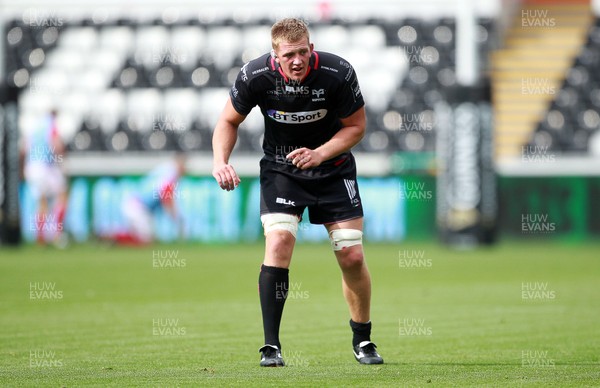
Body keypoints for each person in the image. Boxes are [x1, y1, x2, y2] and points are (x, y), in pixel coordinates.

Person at [212, 18, 383, 366]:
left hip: (332, 168)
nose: (297, 61)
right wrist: (220, 161)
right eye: (289, 54)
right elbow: (228, 121)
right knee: (278, 242)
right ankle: (271, 346)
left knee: (351, 254)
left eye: (303, 52)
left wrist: (320, 153)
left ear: (311, 48)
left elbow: (357, 126)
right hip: (281, 169)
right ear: (276, 55)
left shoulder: (338, 73)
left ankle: (362, 339)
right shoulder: (255, 76)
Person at [108, 154, 186, 245]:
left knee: (143, 238)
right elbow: (167, 197)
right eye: (184, 165)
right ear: (179, 164)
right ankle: (111, 238)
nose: (185, 170)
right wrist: (177, 218)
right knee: (146, 241)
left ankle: (111, 238)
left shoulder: (165, 169)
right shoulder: (171, 173)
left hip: (135, 205)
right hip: (137, 208)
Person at [22, 110, 68, 246]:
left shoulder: (33, 126)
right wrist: (62, 161)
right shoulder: (51, 124)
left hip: (32, 167)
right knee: (62, 195)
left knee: (42, 202)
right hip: (45, 167)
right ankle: (56, 235)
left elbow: (24, 149)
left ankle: (41, 238)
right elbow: (56, 145)